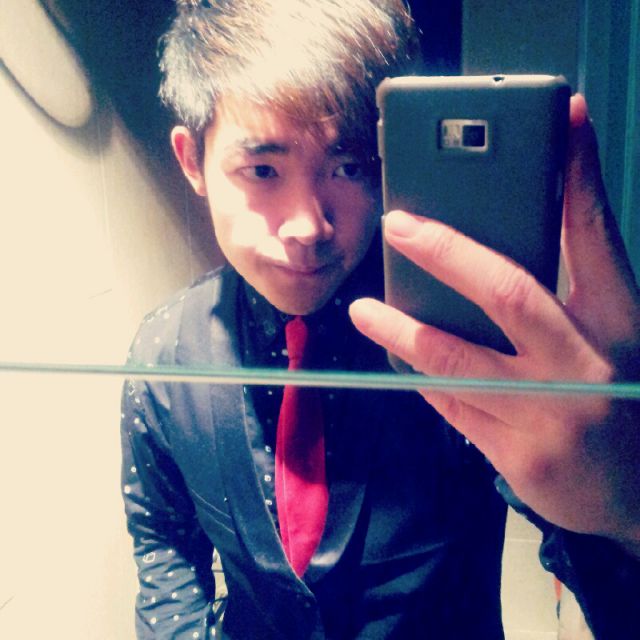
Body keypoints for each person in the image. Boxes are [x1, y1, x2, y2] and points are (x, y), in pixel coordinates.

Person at [120, 1, 640, 638]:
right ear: (192, 161)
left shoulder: (464, 340)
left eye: (349, 167)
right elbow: (164, 548)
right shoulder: (164, 353)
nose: (308, 226)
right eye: (262, 169)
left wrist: (626, 515)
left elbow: (603, 573)